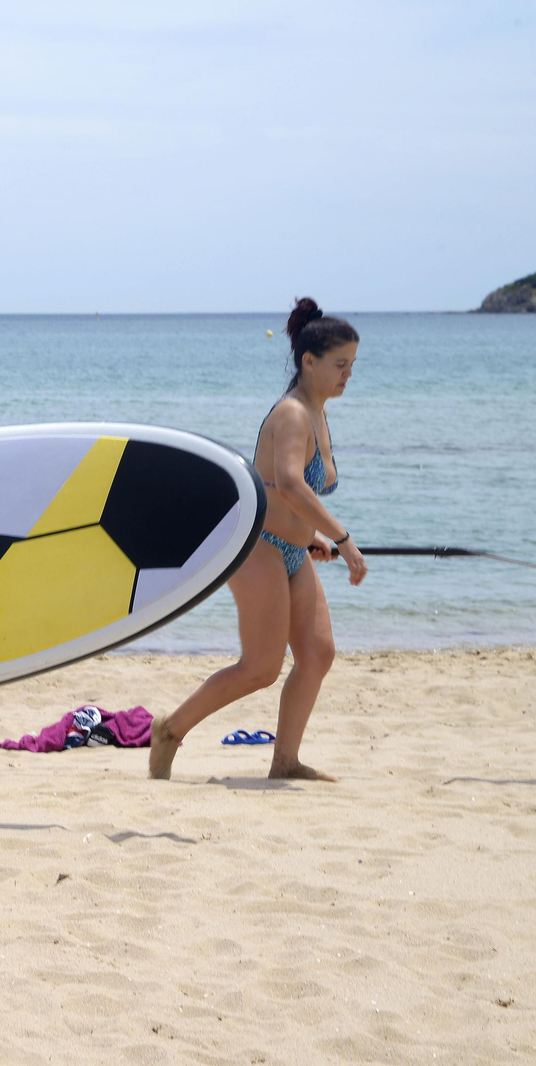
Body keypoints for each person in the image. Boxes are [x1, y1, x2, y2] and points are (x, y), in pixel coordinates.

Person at [149, 298, 367, 781]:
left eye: (352, 364)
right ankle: (170, 729)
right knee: (261, 668)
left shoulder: (319, 411)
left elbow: (285, 493)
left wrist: (310, 536)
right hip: (258, 547)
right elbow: (290, 482)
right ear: (308, 361)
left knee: (318, 654)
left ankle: (285, 761)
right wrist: (343, 538)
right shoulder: (292, 414)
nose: (348, 374)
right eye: (340, 364)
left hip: (293, 549)